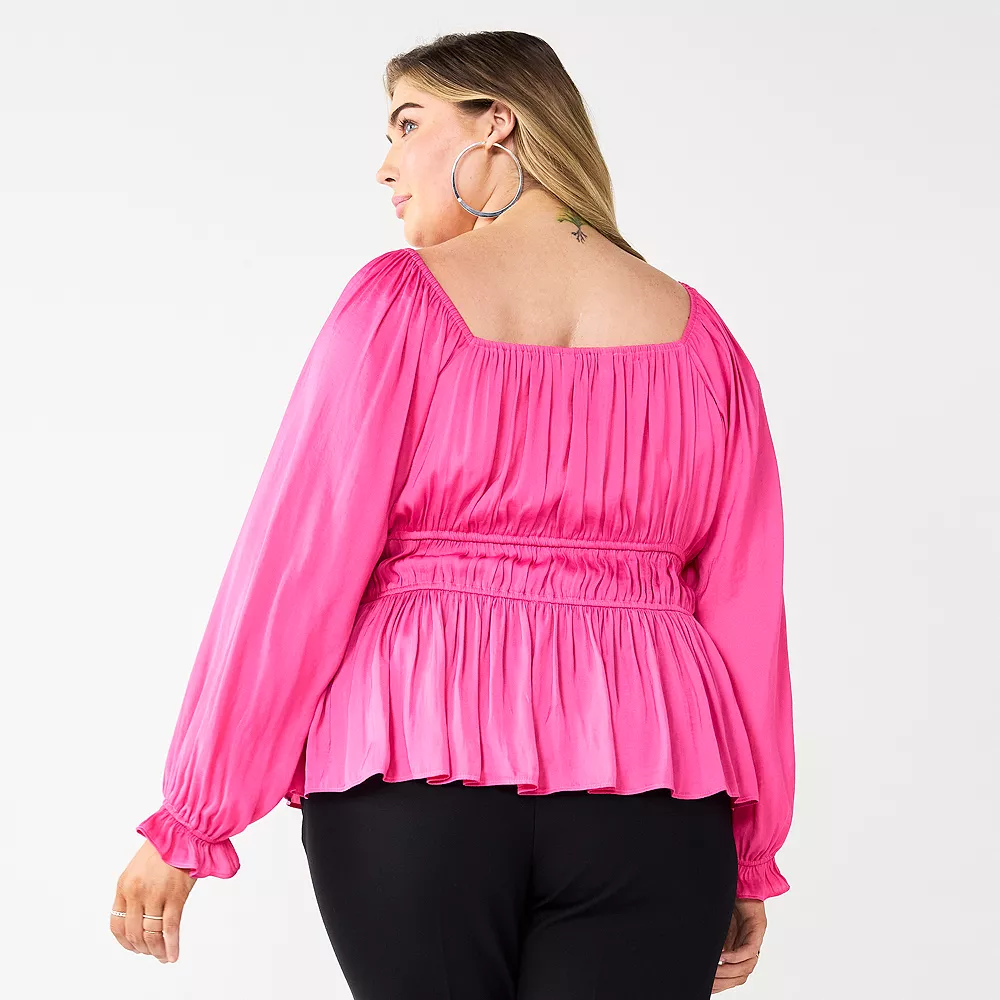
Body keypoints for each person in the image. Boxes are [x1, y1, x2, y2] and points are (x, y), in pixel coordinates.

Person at [110, 29, 794, 999]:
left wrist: (193, 818)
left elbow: (297, 572)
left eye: (407, 123)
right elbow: (746, 613)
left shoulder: (398, 304)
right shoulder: (702, 338)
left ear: (498, 123)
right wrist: (749, 851)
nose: (385, 164)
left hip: (413, 765)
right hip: (657, 783)